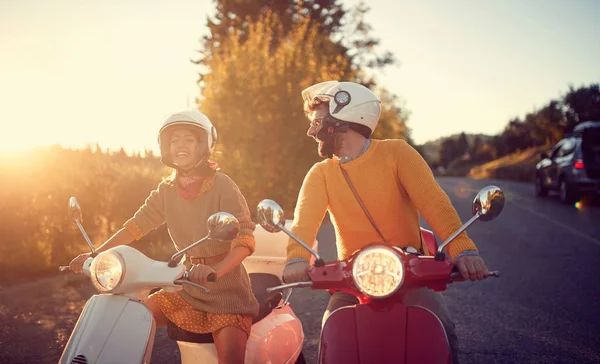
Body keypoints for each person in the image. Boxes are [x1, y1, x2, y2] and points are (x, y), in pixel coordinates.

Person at [282, 81, 490, 364]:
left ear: (343, 117)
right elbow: (304, 223)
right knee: (332, 326)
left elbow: (435, 204)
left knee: (441, 325)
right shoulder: (321, 174)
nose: (311, 131)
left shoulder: (397, 153)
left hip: (410, 274)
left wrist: (464, 250)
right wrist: (297, 258)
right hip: (353, 281)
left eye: (317, 121)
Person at [70, 110, 258, 364]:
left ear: (204, 145)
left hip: (226, 290)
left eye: (188, 140)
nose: (180, 145)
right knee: (130, 318)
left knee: (231, 360)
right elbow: (135, 226)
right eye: (174, 140)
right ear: (166, 147)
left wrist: (216, 269)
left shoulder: (222, 185)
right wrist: (95, 255)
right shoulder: (166, 190)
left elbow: (244, 237)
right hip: (186, 285)